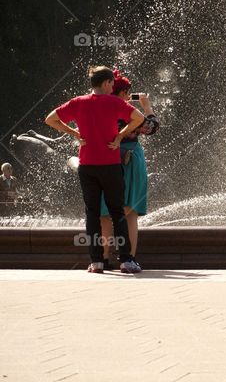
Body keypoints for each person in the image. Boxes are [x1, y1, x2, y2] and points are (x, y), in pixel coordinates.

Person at [45, 66, 145, 274]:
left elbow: (50, 119)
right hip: (109, 165)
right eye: (111, 84)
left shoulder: (78, 102)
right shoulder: (114, 102)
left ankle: (97, 261)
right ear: (107, 83)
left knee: (92, 213)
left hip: (87, 165)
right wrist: (118, 137)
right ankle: (126, 260)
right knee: (117, 211)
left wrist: (74, 133)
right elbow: (139, 118)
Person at [99, 70, 160, 270]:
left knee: (105, 213)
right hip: (131, 161)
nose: (128, 96)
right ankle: (129, 259)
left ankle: (104, 257)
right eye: (127, 92)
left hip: (106, 159)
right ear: (123, 92)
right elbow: (151, 127)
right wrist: (147, 106)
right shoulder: (129, 112)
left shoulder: (99, 108)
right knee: (130, 212)